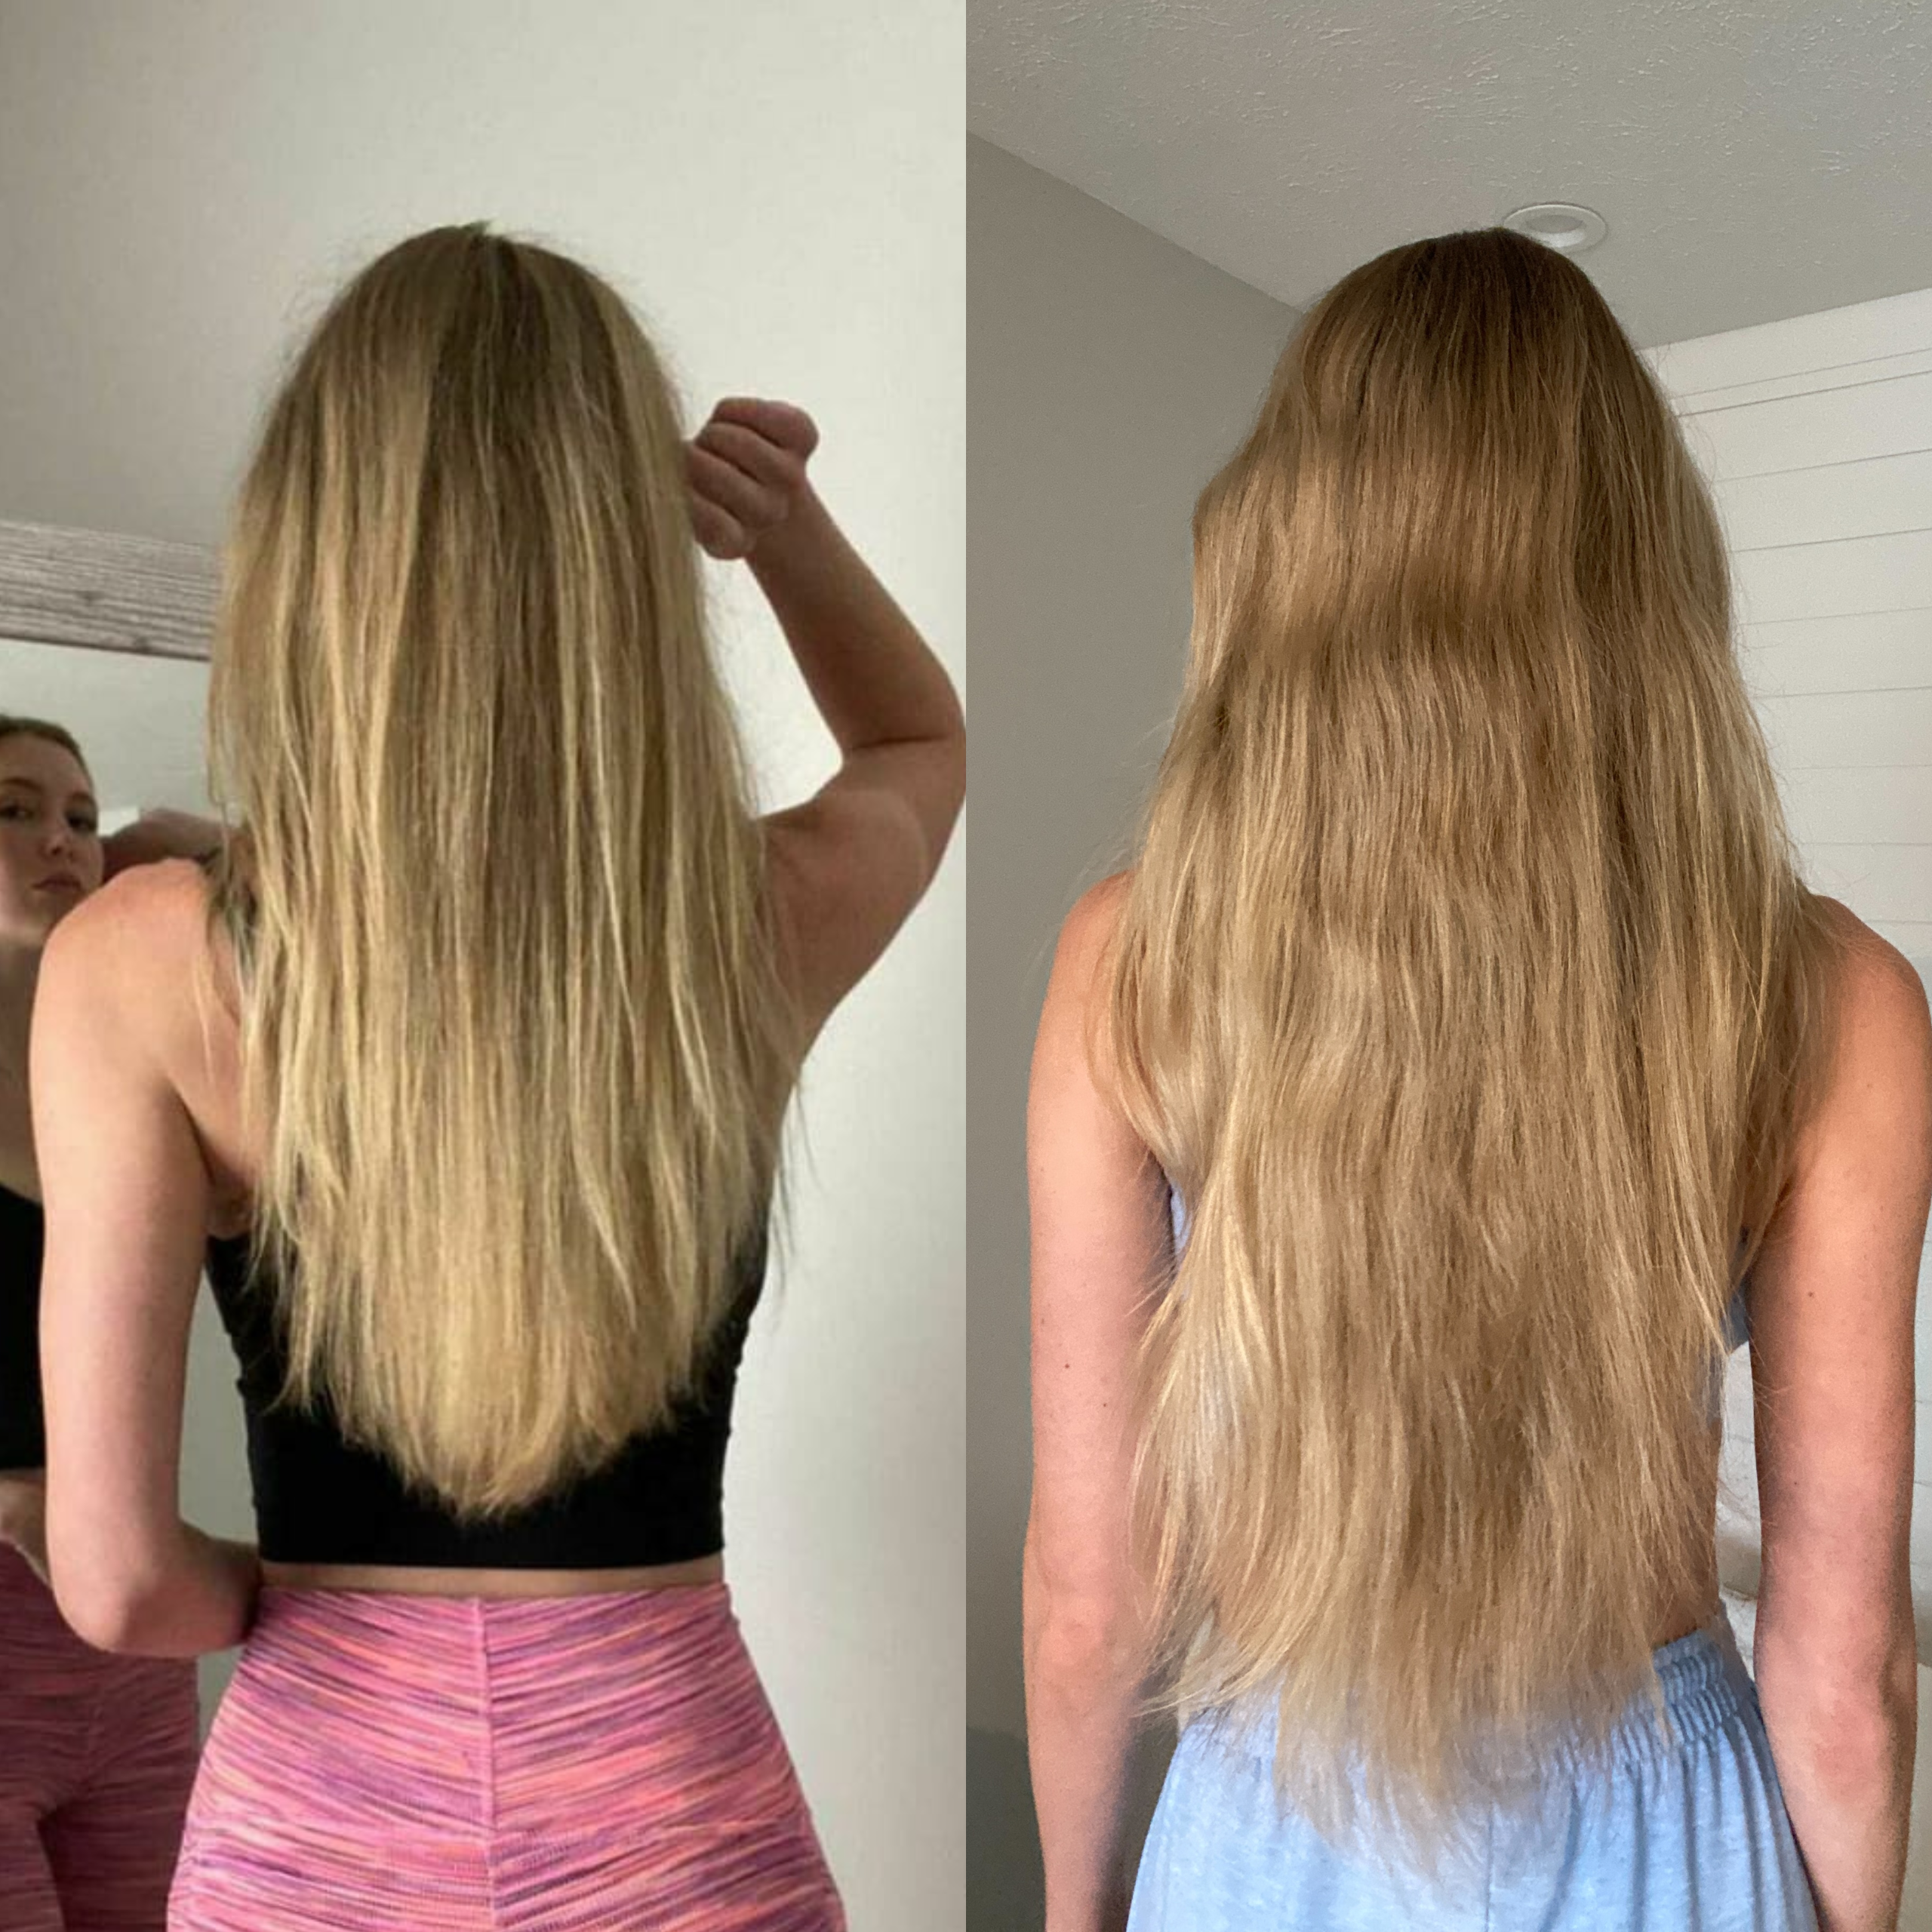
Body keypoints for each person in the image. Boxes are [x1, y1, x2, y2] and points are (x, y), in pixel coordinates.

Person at [9, 221, 964, 1930]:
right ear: (625, 559)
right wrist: (784, 529)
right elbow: (915, 742)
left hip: (315, 1831)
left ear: (309, 553)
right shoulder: (749, 924)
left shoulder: (140, 962)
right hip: (681, 1814)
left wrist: (316, 1608)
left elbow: (118, 1581)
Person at [1023, 226, 1929, 1931]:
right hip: (1662, 1832)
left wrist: (1073, 1911)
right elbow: (1845, 1664)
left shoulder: (1134, 959)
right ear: (1643, 564)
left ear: (1285, 543)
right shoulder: (1830, 998)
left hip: (1277, 1816)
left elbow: (1093, 1593)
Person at [0, 750, 217, 1931]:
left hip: (130, 1656)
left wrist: (155, 850)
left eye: (82, 816)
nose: (62, 840)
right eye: (14, 810)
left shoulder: (122, 1081)